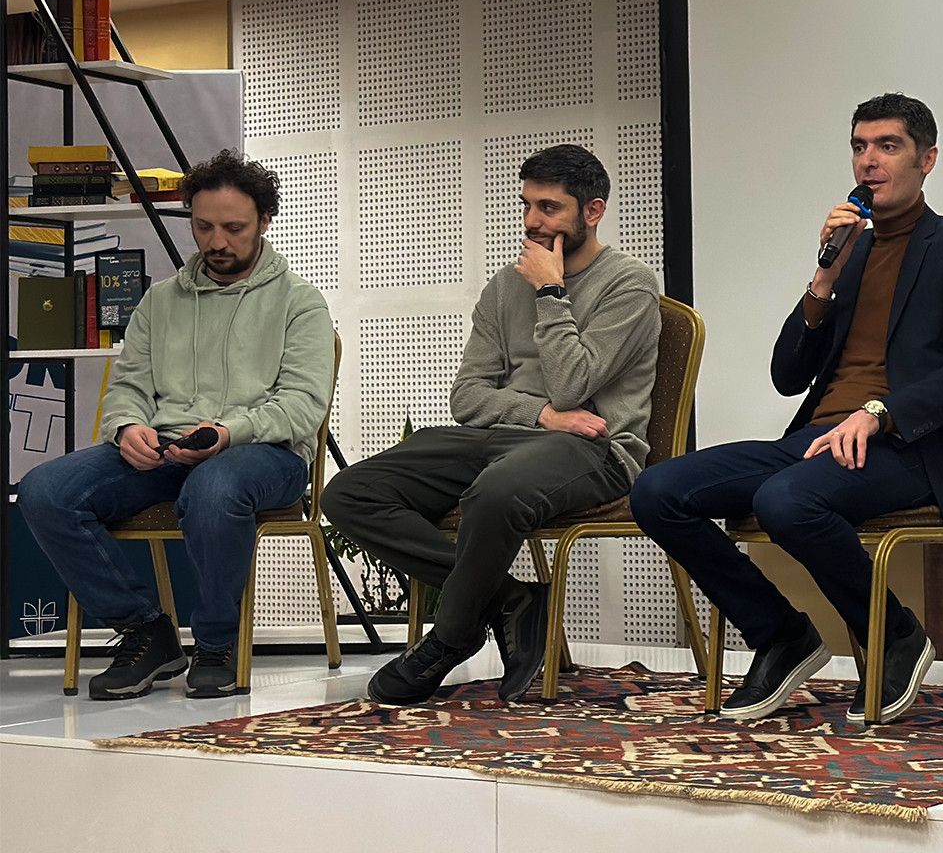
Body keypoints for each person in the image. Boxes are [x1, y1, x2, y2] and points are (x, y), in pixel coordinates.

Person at [630, 93, 943, 724]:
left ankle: (893, 634)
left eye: (888, 146)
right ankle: (781, 634)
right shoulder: (850, 254)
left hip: (909, 445)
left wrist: (879, 412)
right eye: (859, 147)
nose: (869, 161)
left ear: (927, 160)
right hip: (818, 438)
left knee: (786, 500)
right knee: (658, 490)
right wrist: (824, 280)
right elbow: (788, 376)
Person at [323, 144, 659, 704]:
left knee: (495, 492)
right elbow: (468, 396)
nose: (532, 221)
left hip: (595, 449)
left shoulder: (629, 284)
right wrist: (540, 414)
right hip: (506, 437)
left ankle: (449, 638)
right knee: (349, 493)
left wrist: (551, 292)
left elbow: (573, 384)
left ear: (593, 211)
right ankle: (508, 598)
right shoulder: (505, 286)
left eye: (549, 207)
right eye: (527, 205)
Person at [19, 150, 334, 699]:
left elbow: (302, 406)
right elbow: (128, 388)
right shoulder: (160, 300)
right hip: (168, 449)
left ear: (265, 220)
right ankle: (147, 632)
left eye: (234, 228)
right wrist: (126, 427)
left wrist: (227, 433)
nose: (216, 242)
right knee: (45, 491)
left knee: (215, 487)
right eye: (204, 226)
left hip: (266, 454)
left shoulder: (300, 302)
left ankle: (216, 643)